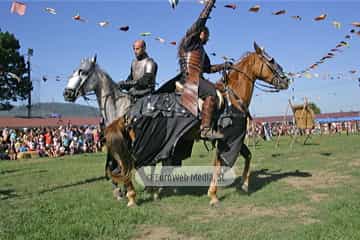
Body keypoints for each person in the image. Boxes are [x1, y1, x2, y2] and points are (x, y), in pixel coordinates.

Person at [177, 0, 232, 140]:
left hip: (197, 79)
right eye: (207, 34)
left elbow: (208, 68)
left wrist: (224, 65)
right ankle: (205, 129)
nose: (208, 37)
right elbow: (201, 20)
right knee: (212, 93)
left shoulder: (201, 50)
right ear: (201, 33)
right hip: (190, 79)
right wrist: (209, 5)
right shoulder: (190, 40)